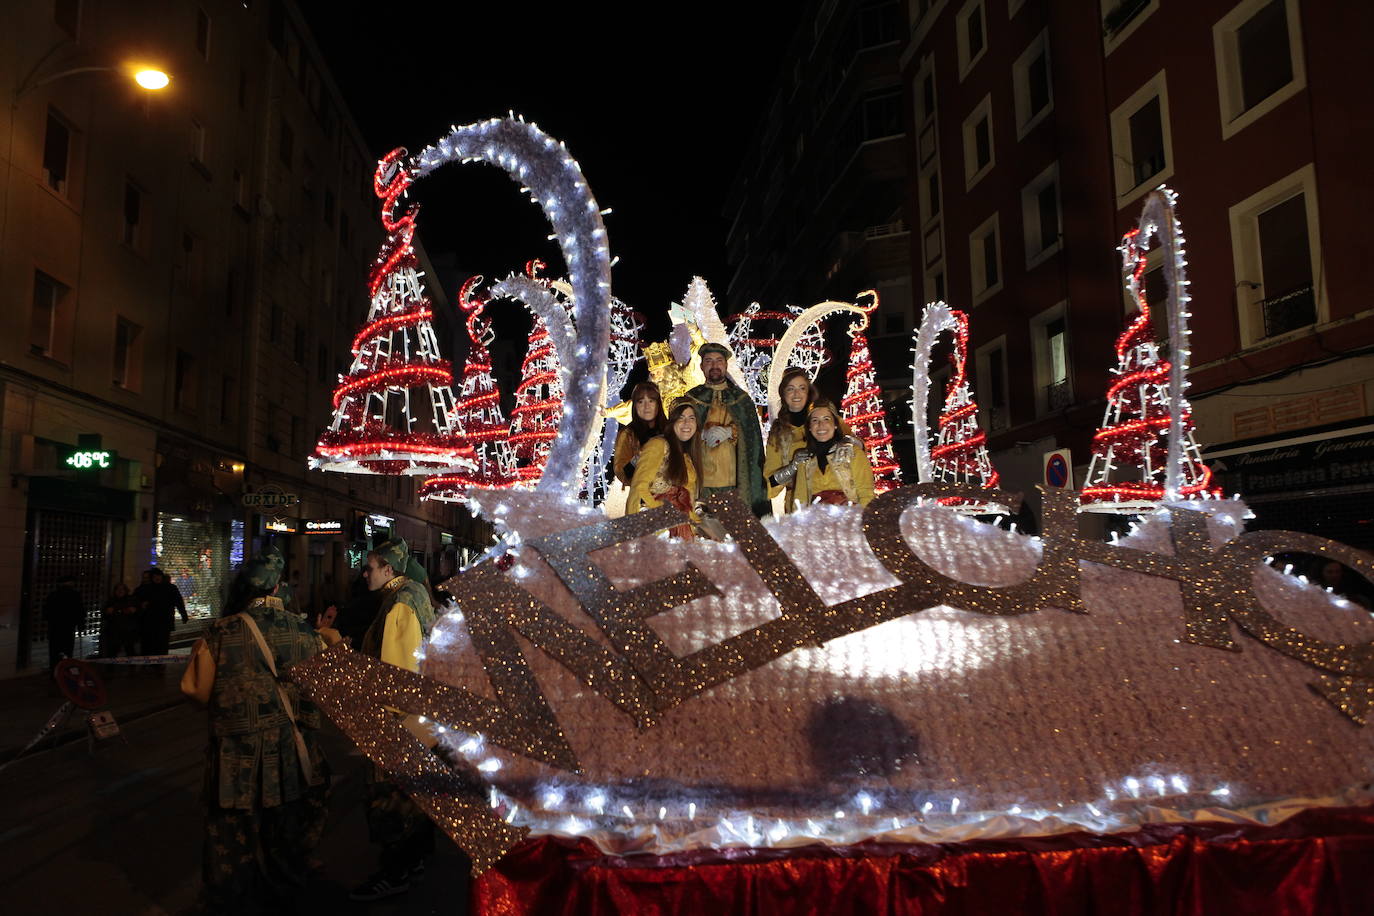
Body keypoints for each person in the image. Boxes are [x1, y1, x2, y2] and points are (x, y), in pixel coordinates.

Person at [192, 550, 328, 914]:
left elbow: (196, 691)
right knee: (284, 838)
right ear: (279, 587)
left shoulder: (221, 630)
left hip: (234, 759)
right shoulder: (304, 631)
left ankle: (235, 901)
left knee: (233, 844)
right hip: (287, 756)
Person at [351, 538, 438, 901]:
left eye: (369, 567)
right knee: (414, 800)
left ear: (389, 569)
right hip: (422, 718)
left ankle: (395, 872)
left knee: (390, 802)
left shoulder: (400, 604)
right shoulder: (414, 593)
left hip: (401, 721)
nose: (364, 573)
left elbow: (395, 675)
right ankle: (413, 863)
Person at [682, 342, 769, 516]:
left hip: (733, 482)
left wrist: (732, 432)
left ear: (726, 365)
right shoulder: (690, 399)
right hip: (700, 483)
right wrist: (699, 434)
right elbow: (678, 434)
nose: (714, 365)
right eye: (709, 361)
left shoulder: (742, 400)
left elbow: (752, 438)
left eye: (719, 360)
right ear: (701, 366)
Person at [627, 399, 704, 539]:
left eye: (691, 418)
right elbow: (639, 487)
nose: (687, 423)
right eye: (681, 418)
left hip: (681, 527)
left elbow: (688, 497)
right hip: (655, 527)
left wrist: (696, 523)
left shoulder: (687, 456)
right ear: (672, 422)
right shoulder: (658, 445)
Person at [793, 401, 876, 508]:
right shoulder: (805, 459)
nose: (821, 425)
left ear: (836, 424)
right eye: (815, 420)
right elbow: (800, 499)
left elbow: (866, 493)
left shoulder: (853, 453)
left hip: (848, 520)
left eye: (826, 419)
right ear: (809, 427)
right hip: (816, 522)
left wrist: (863, 520)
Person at [762, 367, 818, 515]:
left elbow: (856, 448)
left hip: (829, 504)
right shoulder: (778, 432)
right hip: (796, 509)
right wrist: (792, 467)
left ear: (808, 392)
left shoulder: (824, 420)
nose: (796, 394)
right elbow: (769, 484)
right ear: (783, 394)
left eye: (802, 388)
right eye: (790, 389)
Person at [613, 381, 667, 486]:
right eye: (641, 402)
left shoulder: (670, 429)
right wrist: (639, 457)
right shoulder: (627, 435)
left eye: (651, 401)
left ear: (658, 403)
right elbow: (622, 473)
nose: (646, 406)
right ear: (634, 405)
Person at [138, 568, 187, 659]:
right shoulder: (145, 588)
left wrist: (183, 614)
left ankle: (159, 664)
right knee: (150, 643)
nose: (157, 578)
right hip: (150, 621)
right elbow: (136, 601)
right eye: (155, 576)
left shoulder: (170, 588)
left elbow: (179, 602)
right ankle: (149, 663)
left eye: (159, 576)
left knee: (162, 644)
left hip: (164, 621)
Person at [43, 576, 84, 670]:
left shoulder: (52, 595)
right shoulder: (75, 595)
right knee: (67, 651)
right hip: (68, 629)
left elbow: (46, 613)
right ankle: (65, 672)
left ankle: (55, 673)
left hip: (54, 629)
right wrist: (81, 625)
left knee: (54, 653)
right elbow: (80, 612)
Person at [100, 583, 140, 660]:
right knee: (112, 652)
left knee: (130, 651)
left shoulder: (132, 600)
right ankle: (110, 669)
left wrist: (134, 611)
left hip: (128, 631)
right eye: (118, 589)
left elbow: (138, 613)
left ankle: (132, 669)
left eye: (122, 589)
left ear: (126, 591)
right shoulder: (111, 601)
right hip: (114, 631)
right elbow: (105, 615)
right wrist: (107, 612)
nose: (120, 591)